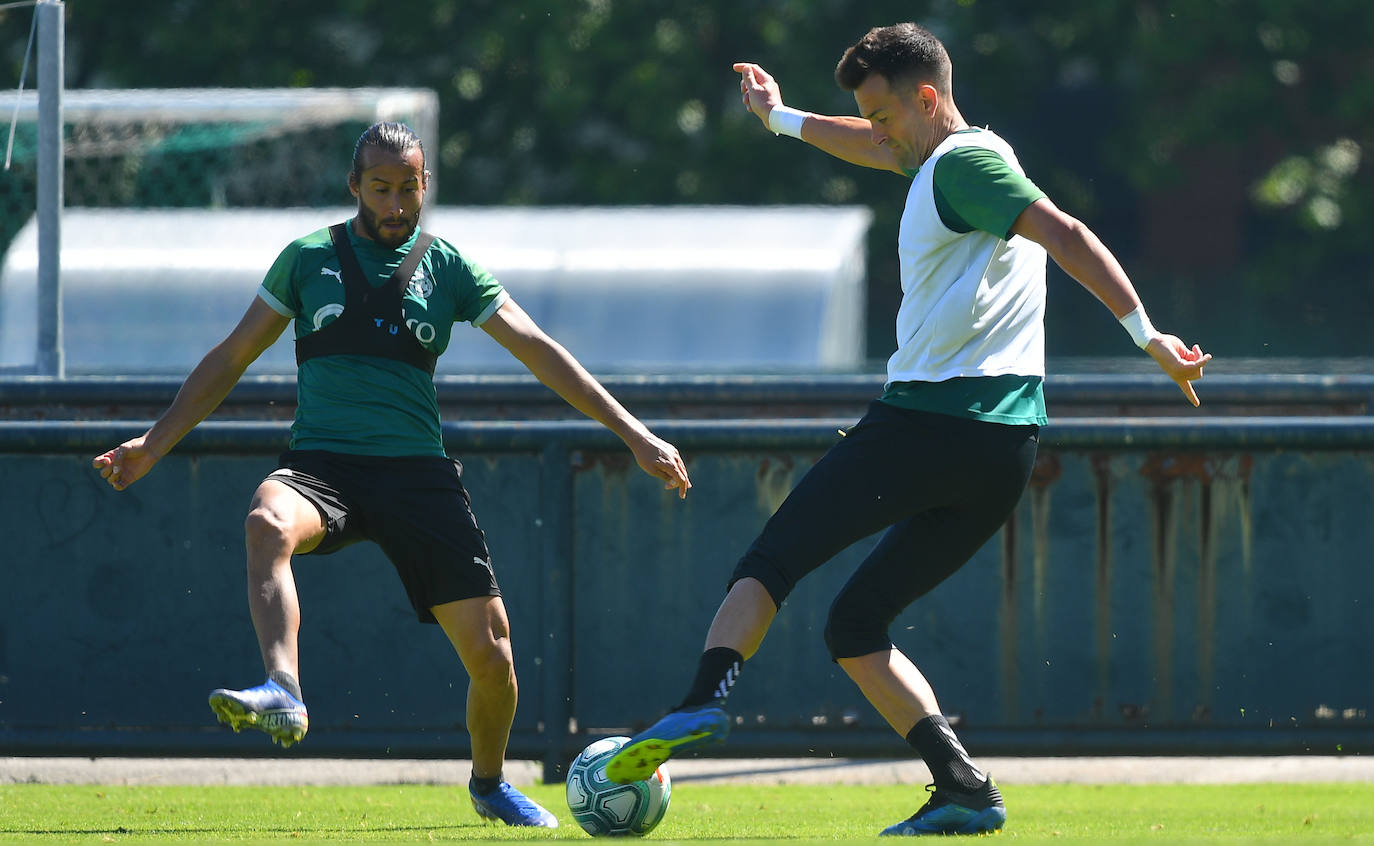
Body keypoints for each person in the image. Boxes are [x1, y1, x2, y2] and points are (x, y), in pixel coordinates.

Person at [604, 23, 1210, 837]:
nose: (878, 129)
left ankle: (699, 702)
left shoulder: (965, 164)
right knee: (855, 627)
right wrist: (782, 119)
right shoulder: (949, 158)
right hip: (1005, 449)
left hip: (928, 424)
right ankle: (964, 788)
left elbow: (1065, 231)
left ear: (928, 99)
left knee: (771, 561)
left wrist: (1148, 338)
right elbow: (869, 143)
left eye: (886, 113)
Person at [92, 121, 692, 829]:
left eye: (409, 187)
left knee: (494, 656)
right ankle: (283, 686)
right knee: (266, 520)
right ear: (355, 187)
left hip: (417, 476)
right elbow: (230, 357)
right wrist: (155, 443)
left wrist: (634, 433)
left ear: (425, 185)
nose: (397, 202)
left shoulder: (450, 268)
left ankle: (490, 782)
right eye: (381, 187)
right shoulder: (307, 258)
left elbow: (539, 350)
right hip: (323, 466)